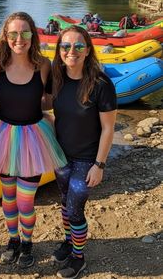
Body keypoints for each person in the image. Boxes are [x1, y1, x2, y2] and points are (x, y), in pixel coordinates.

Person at [0, 11, 67, 269]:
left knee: (25, 200)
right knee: (8, 196)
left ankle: (28, 242)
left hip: (34, 136)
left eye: (24, 33)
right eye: (13, 33)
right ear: (5, 36)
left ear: (33, 35)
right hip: (4, 136)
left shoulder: (44, 65)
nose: (19, 38)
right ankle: (13, 240)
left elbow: (50, 99)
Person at [51, 25, 117, 279]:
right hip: (61, 155)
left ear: (88, 50)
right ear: (59, 50)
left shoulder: (101, 84)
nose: (72, 51)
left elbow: (108, 128)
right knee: (65, 204)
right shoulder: (57, 78)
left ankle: (78, 258)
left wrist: (99, 165)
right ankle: (69, 242)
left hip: (87, 159)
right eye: (66, 46)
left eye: (79, 46)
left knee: (76, 207)